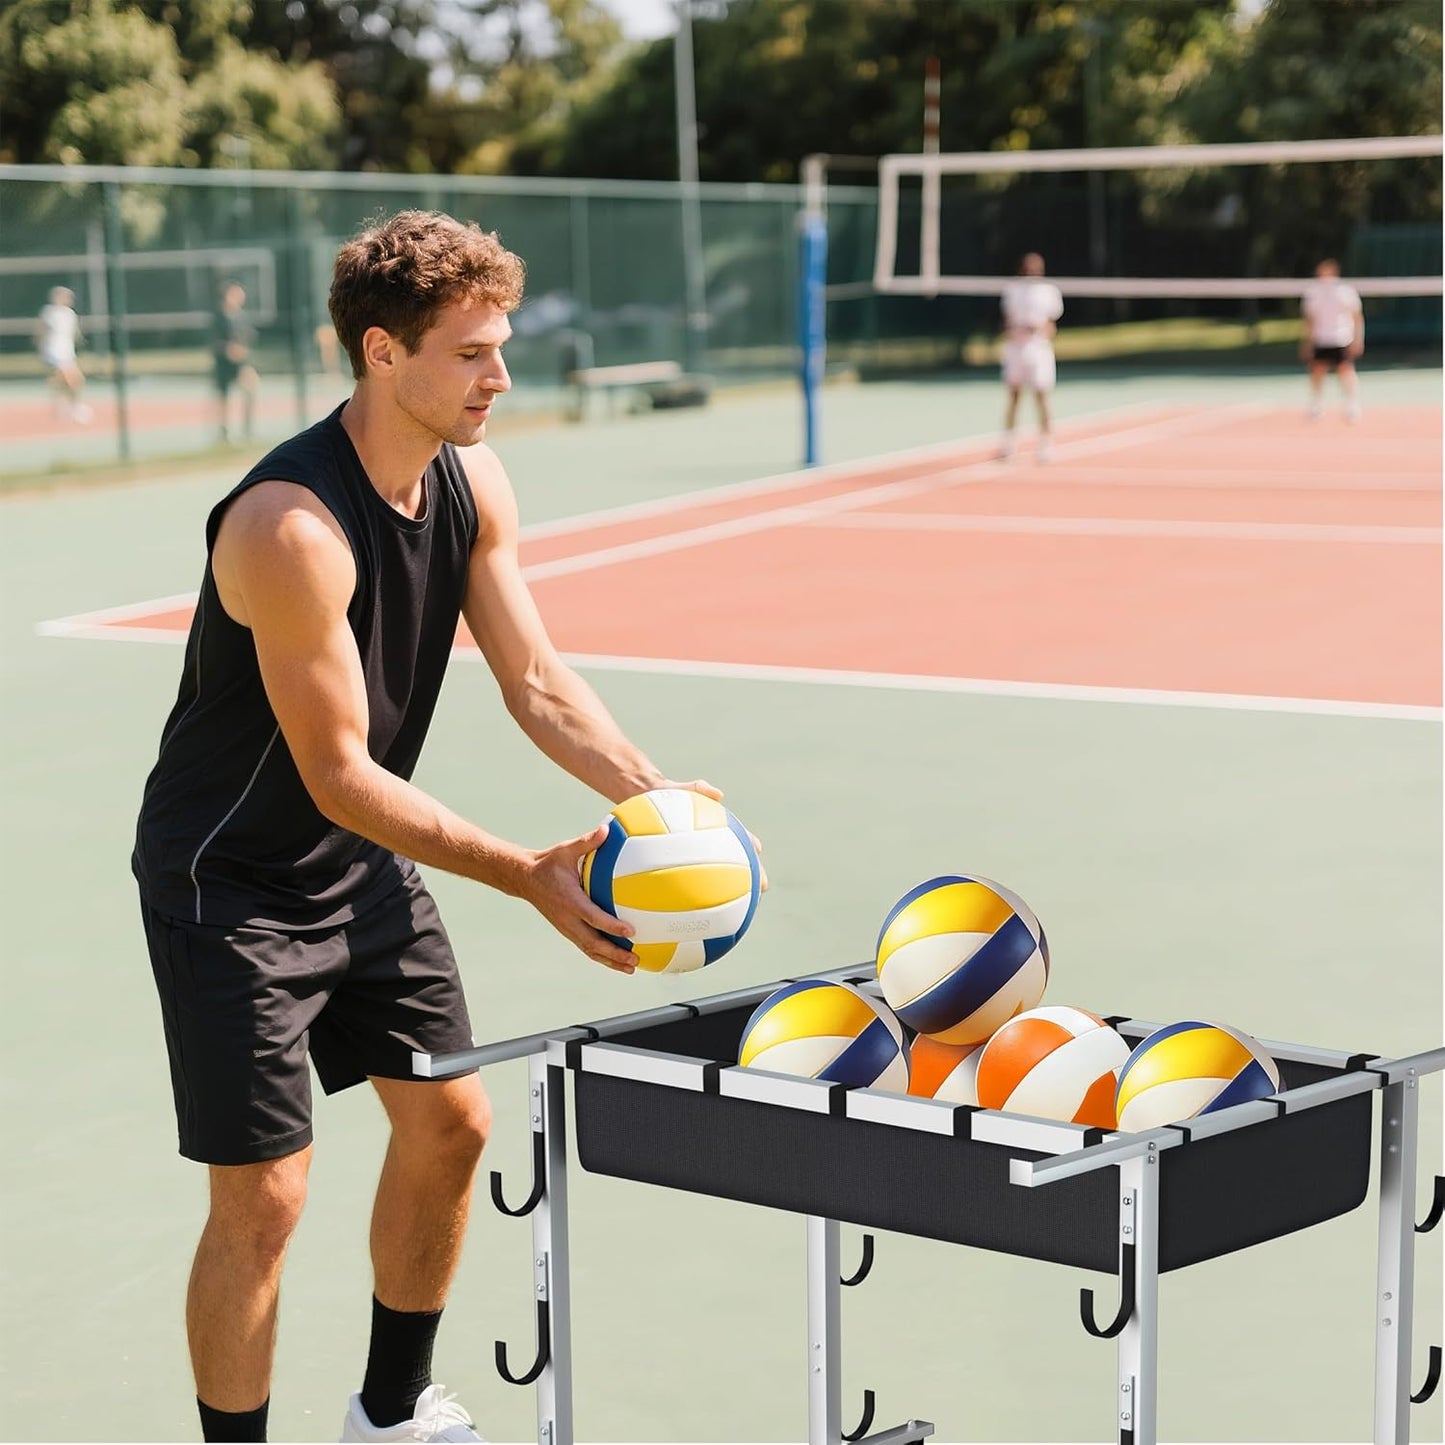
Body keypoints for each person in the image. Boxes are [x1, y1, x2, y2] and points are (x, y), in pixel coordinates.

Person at [133, 211, 752, 1444]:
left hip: (359, 864)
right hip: (235, 882)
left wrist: (652, 797)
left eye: (499, 345)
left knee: (452, 1120)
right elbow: (339, 772)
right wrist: (526, 870)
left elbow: (533, 679)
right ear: (381, 352)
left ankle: (392, 1407)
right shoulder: (287, 528)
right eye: (470, 353)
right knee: (263, 1198)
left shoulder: (473, 480)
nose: (500, 376)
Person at [998, 252, 1063, 462]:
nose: (1032, 272)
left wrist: (1038, 329)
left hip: (1038, 348)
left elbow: (1052, 326)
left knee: (1041, 396)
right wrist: (1015, 330)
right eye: (1028, 268)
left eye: (1036, 268)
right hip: (1016, 348)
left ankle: (1046, 443)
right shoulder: (1012, 289)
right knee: (1014, 395)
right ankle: (1009, 443)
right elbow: (1006, 322)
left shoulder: (1049, 291)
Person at [1300, 258, 1364, 421]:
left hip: (1341, 338)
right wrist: (1307, 342)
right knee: (1317, 371)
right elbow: (1309, 320)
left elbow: (1356, 317)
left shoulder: (1346, 291)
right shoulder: (1312, 293)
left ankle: (1351, 404)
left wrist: (1358, 339)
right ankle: (1317, 404)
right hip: (1321, 339)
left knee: (1346, 371)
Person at [34, 285, 92, 423]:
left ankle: (64, 409)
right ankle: (74, 408)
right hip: (53, 353)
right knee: (72, 380)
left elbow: (73, 333)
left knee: (65, 383)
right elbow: (41, 332)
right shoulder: (48, 312)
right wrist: (42, 350)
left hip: (67, 353)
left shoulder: (69, 314)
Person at [213, 279, 260, 443]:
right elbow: (214, 342)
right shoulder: (218, 317)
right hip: (223, 363)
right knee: (223, 398)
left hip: (240, 364)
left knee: (251, 386)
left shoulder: (241, 317)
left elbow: (248, 337)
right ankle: (223, 431)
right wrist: (228, 349)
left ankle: (247, 428)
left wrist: (242, 349)